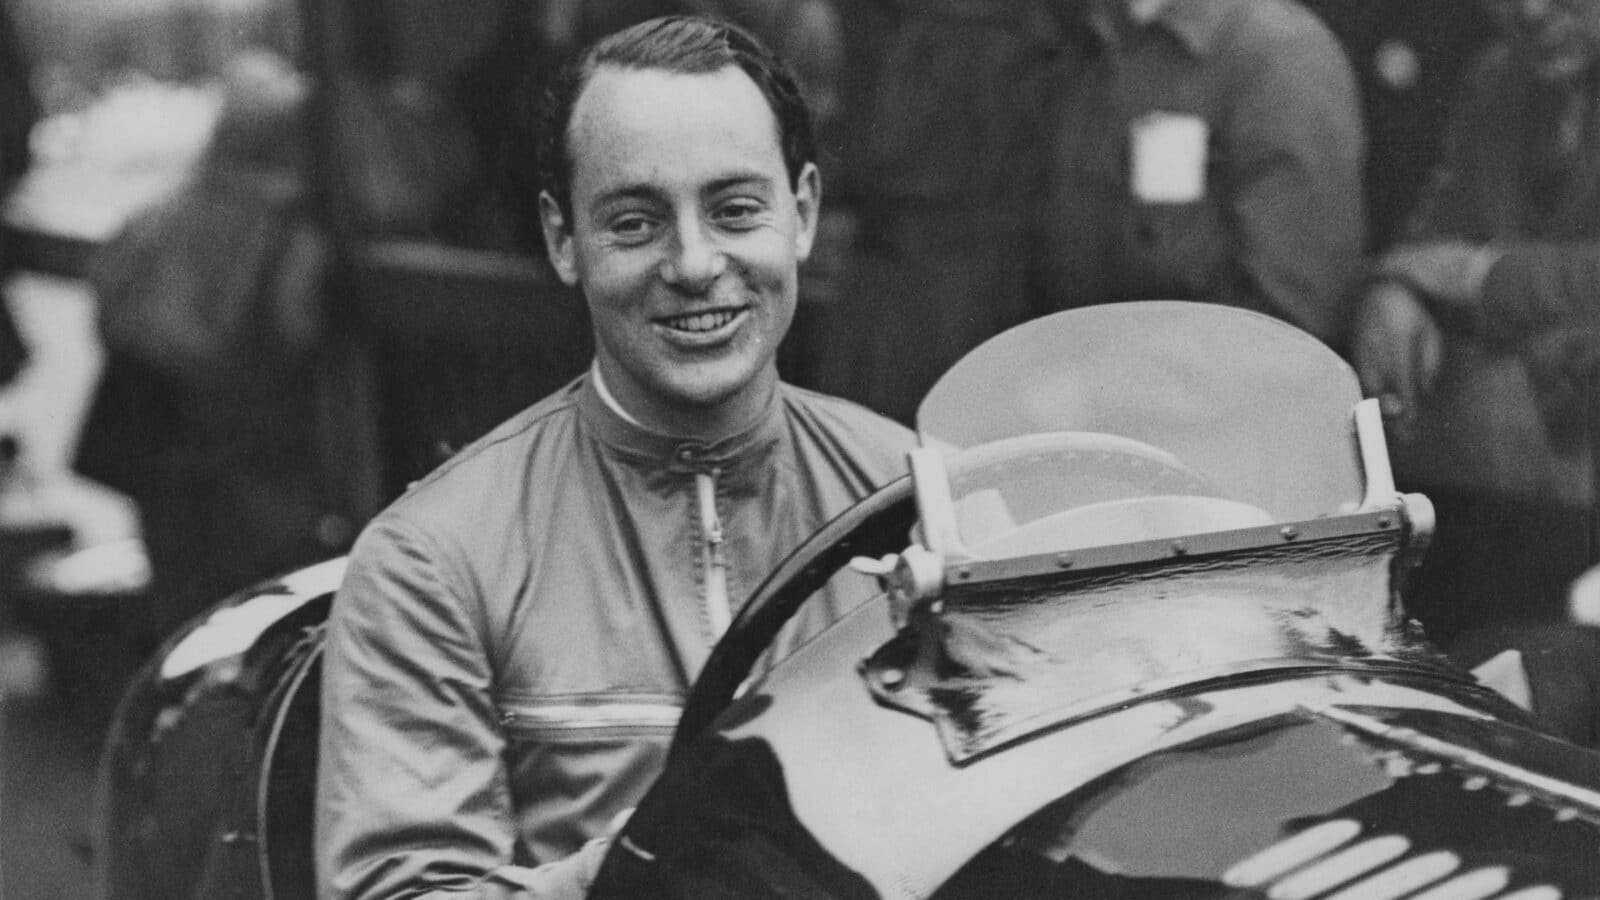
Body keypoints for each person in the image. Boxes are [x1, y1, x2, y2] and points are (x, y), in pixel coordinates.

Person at [315, 16, 915, 900]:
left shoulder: (921, 494)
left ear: (805, 214)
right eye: (635, 222)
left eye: (735, 209)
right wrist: (684, 862)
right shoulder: (435, 558)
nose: (695, 263)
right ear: (564, 241)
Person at [819, 0, 1366, 424]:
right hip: (1085, 448)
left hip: (1226, 481)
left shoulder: (1279, 60)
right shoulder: (1093, 48)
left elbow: (1288, 327)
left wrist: (1090, 391)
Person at [1349, 0, 1600, 643]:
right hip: (1509, 494)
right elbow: (1438, 228)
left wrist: (1473, 279)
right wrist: (1395, 288)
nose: (1532, 10)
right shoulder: (1500, 76)